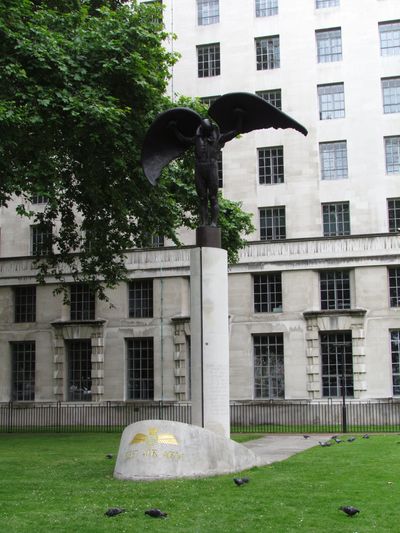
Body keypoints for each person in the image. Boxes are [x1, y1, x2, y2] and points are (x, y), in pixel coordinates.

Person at [169, 112, 243, 226]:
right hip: (199, 168)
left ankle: (213, 222)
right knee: (202, 198)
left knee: (213, 197)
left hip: (211, 167)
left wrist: (239, 117)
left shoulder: (219, 138)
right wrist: (174, 129)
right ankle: (203, 222)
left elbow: (235, 132)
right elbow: (183, 139)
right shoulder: (196, 138)